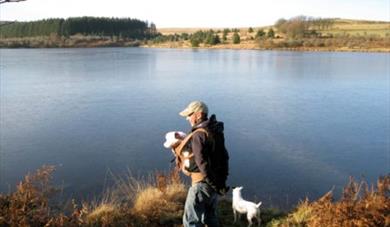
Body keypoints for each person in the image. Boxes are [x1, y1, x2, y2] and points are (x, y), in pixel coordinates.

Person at [175, 101, 229, 227]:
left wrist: (210, 182)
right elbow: (224, 156)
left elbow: (201, 162)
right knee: (210, 218)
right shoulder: (215, 131)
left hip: (202, 184)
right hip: (215, 182)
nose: (188, 118)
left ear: (199, 114)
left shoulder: (199, 134)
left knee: (191, 221)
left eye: (189, 115)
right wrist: (219, 184)